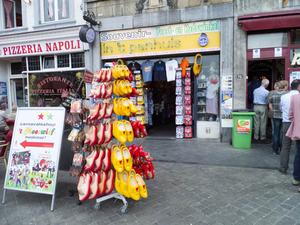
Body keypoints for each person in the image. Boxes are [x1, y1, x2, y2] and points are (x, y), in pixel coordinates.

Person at [279, 79, 300, 174]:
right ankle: (297, 172)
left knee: (286, 146)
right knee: (298, 148)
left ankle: (283, 168)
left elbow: (281, 108)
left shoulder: (284, 97)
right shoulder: (297, 97)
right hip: (297, 123)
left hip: (287, 123)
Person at [285, 82, 300, 191]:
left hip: (298, 130)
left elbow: (290, 115)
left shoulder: (294, 97)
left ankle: (296, 179)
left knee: (298, 154)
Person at [269, 80, 288, 154]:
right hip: (284, 115)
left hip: (275, 115)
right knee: (282, 133)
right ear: (285, 86)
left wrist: (274, 111)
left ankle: (274, 150)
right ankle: (282, 149)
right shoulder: (287, 94)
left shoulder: (273, 94)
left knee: (276, 133)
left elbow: (270, 105)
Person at [266, 82, 279, 146]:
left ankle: (274, 143)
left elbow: (267, 103)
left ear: (274, 87)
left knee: (274, 129)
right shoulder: (286, 93)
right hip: (283, 114)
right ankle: (281, 143)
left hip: (273, 113)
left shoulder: (271, 93)